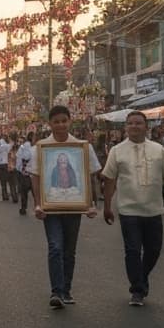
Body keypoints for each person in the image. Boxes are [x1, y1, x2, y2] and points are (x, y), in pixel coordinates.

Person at [101, 110, 164, 307]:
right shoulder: (117, 151)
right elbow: (110, 180)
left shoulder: (158, 150)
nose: (134, 127)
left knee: (153, 250)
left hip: (154, 210)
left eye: (138, 123)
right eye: (130, 124)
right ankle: (137, 290)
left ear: (146, 127)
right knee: (133, 250)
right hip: (128, 210)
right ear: (125, 127)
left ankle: (142, 277)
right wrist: (107, 206)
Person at [29, 106, 104, 310]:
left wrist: (91, 203)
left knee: (69, 250)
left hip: (74, 207)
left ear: (70, 122)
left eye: (64, 120)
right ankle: (56, 291)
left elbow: (90, 177)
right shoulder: (41, 148)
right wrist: (38, 203)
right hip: (50, 207)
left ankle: (66, 289)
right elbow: (36, 177)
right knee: (55, 247)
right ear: (50, 124)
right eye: (56, 121)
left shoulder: (82, 147)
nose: (60, 124)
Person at [14, 132, 35, 214]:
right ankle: (37, 206)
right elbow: (26, 157)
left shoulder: (23, 146)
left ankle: (23, 208)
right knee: (32, 191)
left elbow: (18, 155)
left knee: (24, 192)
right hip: (28, 172)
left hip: (24, 171)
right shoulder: (28, 146)